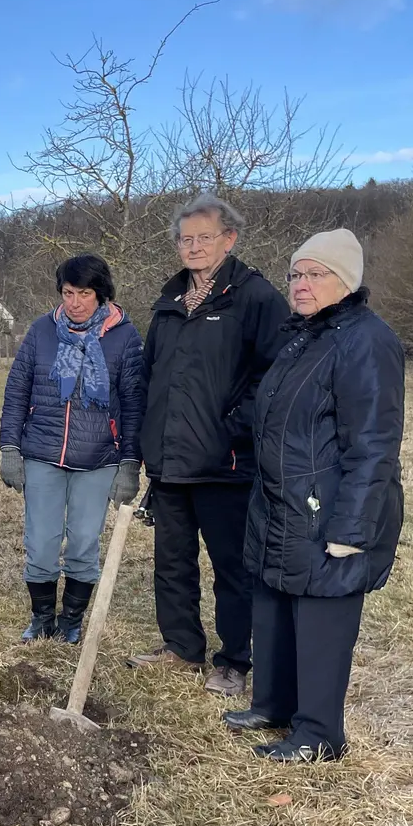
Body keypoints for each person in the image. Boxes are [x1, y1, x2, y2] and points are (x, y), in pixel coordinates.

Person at [222, 230, 404, 762]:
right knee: (275, 603)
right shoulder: (305, 337)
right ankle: (275, 705)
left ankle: (320, 734)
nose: (300, 285)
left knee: (322, 619)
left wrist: (351, 531)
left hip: (327, 510)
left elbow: (374, 445)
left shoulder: (366, 342)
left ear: (345, 281)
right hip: (283, 503)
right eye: (296, 274)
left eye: (314, 274)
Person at [128, 193, 289, 698]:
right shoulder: (170, 300)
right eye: (185, 238)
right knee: (171, 562)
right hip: (170, 461)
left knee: (232, 567)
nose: (193, 247)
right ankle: (181, 647)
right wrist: (148, 440)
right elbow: (150, 373)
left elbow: (277, 373)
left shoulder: (255, 298)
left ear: (229, 239)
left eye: (204, 237)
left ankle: (234, 660)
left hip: (225, 461)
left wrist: (235, 425)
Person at [0, 254, 145, 644]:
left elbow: (133, 403)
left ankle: (71, 620)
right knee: (42, 542)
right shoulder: (41, 331)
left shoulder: (125, 337)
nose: (75, 302)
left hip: (98, 458)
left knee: (83, 542)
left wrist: (130, 462)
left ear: (101, 295)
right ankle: (42, 618)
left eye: (84, 293)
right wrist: (10, 448)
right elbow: (16, 392)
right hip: (43, 453)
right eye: (68, 293)